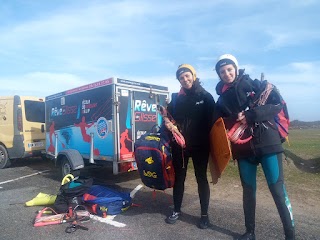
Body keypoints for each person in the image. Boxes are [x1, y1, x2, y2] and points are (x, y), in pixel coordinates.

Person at [213, 54, 295, 240]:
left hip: (268, 143)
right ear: (219, 75)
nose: (226, 73)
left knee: (277, 190)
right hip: (243, 150)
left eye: (229, 69)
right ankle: (250, 232)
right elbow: (216, 124)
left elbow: (276, 105)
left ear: (235, 68)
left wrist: (252, 115)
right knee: (248, 191)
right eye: (222, 72)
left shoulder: (253, 84)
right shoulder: (221, 99)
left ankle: (290, 235)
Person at [163, 64, 215, 229]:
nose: (185, 80)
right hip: (180, 146)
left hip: (201, 146)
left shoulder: (206, 97)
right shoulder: (176, 99)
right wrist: (167, 121)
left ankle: (204, 216)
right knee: (179, 178)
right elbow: (168, 117)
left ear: (193, 75)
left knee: (201, 179)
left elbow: (214, 124)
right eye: (181, 78)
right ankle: (176, 210)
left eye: (187, 76)